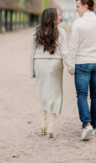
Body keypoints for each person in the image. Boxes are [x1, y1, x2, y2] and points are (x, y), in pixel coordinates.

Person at [68, 0, 96, 141]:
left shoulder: (78, 23)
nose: (76, 9)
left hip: (82, 62)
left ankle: (86, 124)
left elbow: (73, 46)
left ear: (86, 6)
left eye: (78, 6)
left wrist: (70, 65)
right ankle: (93, 125)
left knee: (81, 94)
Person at [29, 8, 74, 138]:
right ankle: (51, 126)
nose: (60, 17)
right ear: (53, 18)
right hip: (55, 65)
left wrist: (31, 70)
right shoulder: (62, 33)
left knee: (42, 92)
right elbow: (64, 53)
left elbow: (31, 54)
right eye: (59, 16)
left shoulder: (35, 33)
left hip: (39, 64)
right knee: (55, 94)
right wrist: (71, 68)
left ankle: (43, 124)